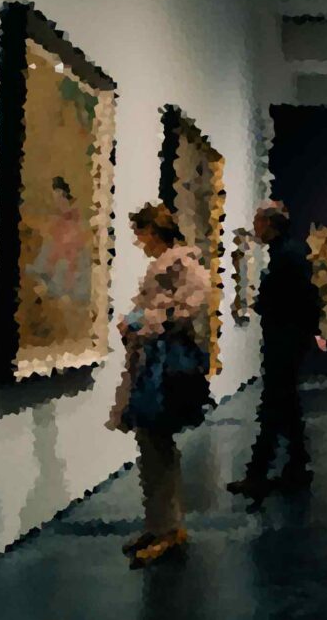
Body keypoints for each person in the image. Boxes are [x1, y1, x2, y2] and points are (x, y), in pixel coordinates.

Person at [106, 202, 214, 568]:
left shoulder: (182, 265)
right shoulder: (168, 265)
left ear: (152, 231)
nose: (139, 241)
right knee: (150, 445)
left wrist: (144, 322)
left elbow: (188, 305)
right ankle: (159, 525)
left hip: (163, 367)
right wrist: (136, 320)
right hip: (151, 362)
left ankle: (167, 529)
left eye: (140, 234)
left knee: (157, 443)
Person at [228, 200, 326, 500]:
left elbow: (293, 299)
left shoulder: (287, 256)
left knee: (274, 405)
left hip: (285, 340)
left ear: (269, 224)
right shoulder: (287, 253)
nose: (254, 226)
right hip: (287, 339)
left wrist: (264, 304)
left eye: (258, 220)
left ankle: (259, 474)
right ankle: (297, 465)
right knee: (286, 405)